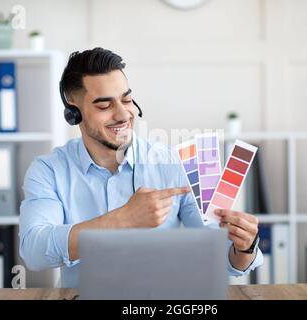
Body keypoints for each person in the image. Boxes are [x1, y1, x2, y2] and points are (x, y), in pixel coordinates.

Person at [19, 47, 263, 288]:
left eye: (126, 99)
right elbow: (34, 251)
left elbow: (225, 260)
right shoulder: (47, 170)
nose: (123, 114)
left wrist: (244, 245)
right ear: (74, 112)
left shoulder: (180, 163)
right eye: (104, 106)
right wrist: (123, 219)